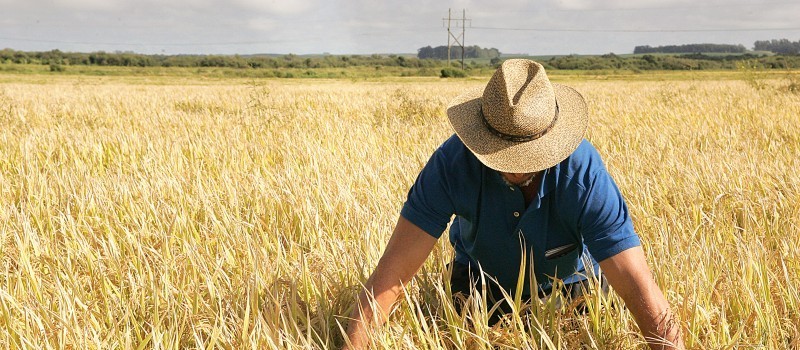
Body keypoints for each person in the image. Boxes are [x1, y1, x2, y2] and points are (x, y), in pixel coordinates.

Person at [344, 59, 683, 349]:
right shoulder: (451, 165)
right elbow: (391, 276)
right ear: (481, 135)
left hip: (574, 287)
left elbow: (638, 284)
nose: (516, 167)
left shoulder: (584, 174)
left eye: (527, 154)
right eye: (501, 152)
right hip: (481, 284)